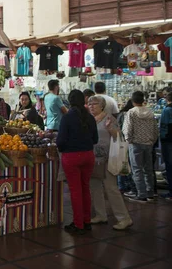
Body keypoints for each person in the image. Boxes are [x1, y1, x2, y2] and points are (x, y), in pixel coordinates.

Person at [87, 95, 133, 230]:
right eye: (89, 104)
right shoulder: (90, 119)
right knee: (95, 188)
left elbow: (118, 136)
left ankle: (124, 218)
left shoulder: (109, 118)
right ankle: (101, 214)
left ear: (102, 106)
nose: (91, 106)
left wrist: (110, 129)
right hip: (94, 159)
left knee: (111, 188)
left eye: (94, 104)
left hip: (107, 159)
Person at [57, 90, 99, 235]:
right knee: (85, 188)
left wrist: (64, 148)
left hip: (71, 157)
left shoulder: (67, 117)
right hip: (88, 155)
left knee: (75, 190)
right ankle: (87, 221)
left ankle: (78, 224)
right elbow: (95, 140)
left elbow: (60, 141)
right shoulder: (90, 118)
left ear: (70, 101)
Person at [123, 91, 159, 202]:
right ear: (143, 100)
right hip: (148, 144)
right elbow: (155, 129)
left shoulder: (131, 112)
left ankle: (141, 195)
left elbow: (127, 129)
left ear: (133, 101)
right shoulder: (150, 112)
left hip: (135, 144)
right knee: (148, 169)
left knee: (137, 169)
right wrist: (152, 141)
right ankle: (150, 193)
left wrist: (128, 140)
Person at [117, 100, 137, 195]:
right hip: (129, 142)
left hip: (122, 142)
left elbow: (119, 127)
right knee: (128, 165)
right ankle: (129, 186)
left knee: (123, 164)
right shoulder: (130, 114)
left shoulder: (123, 114)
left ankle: (122, 186)